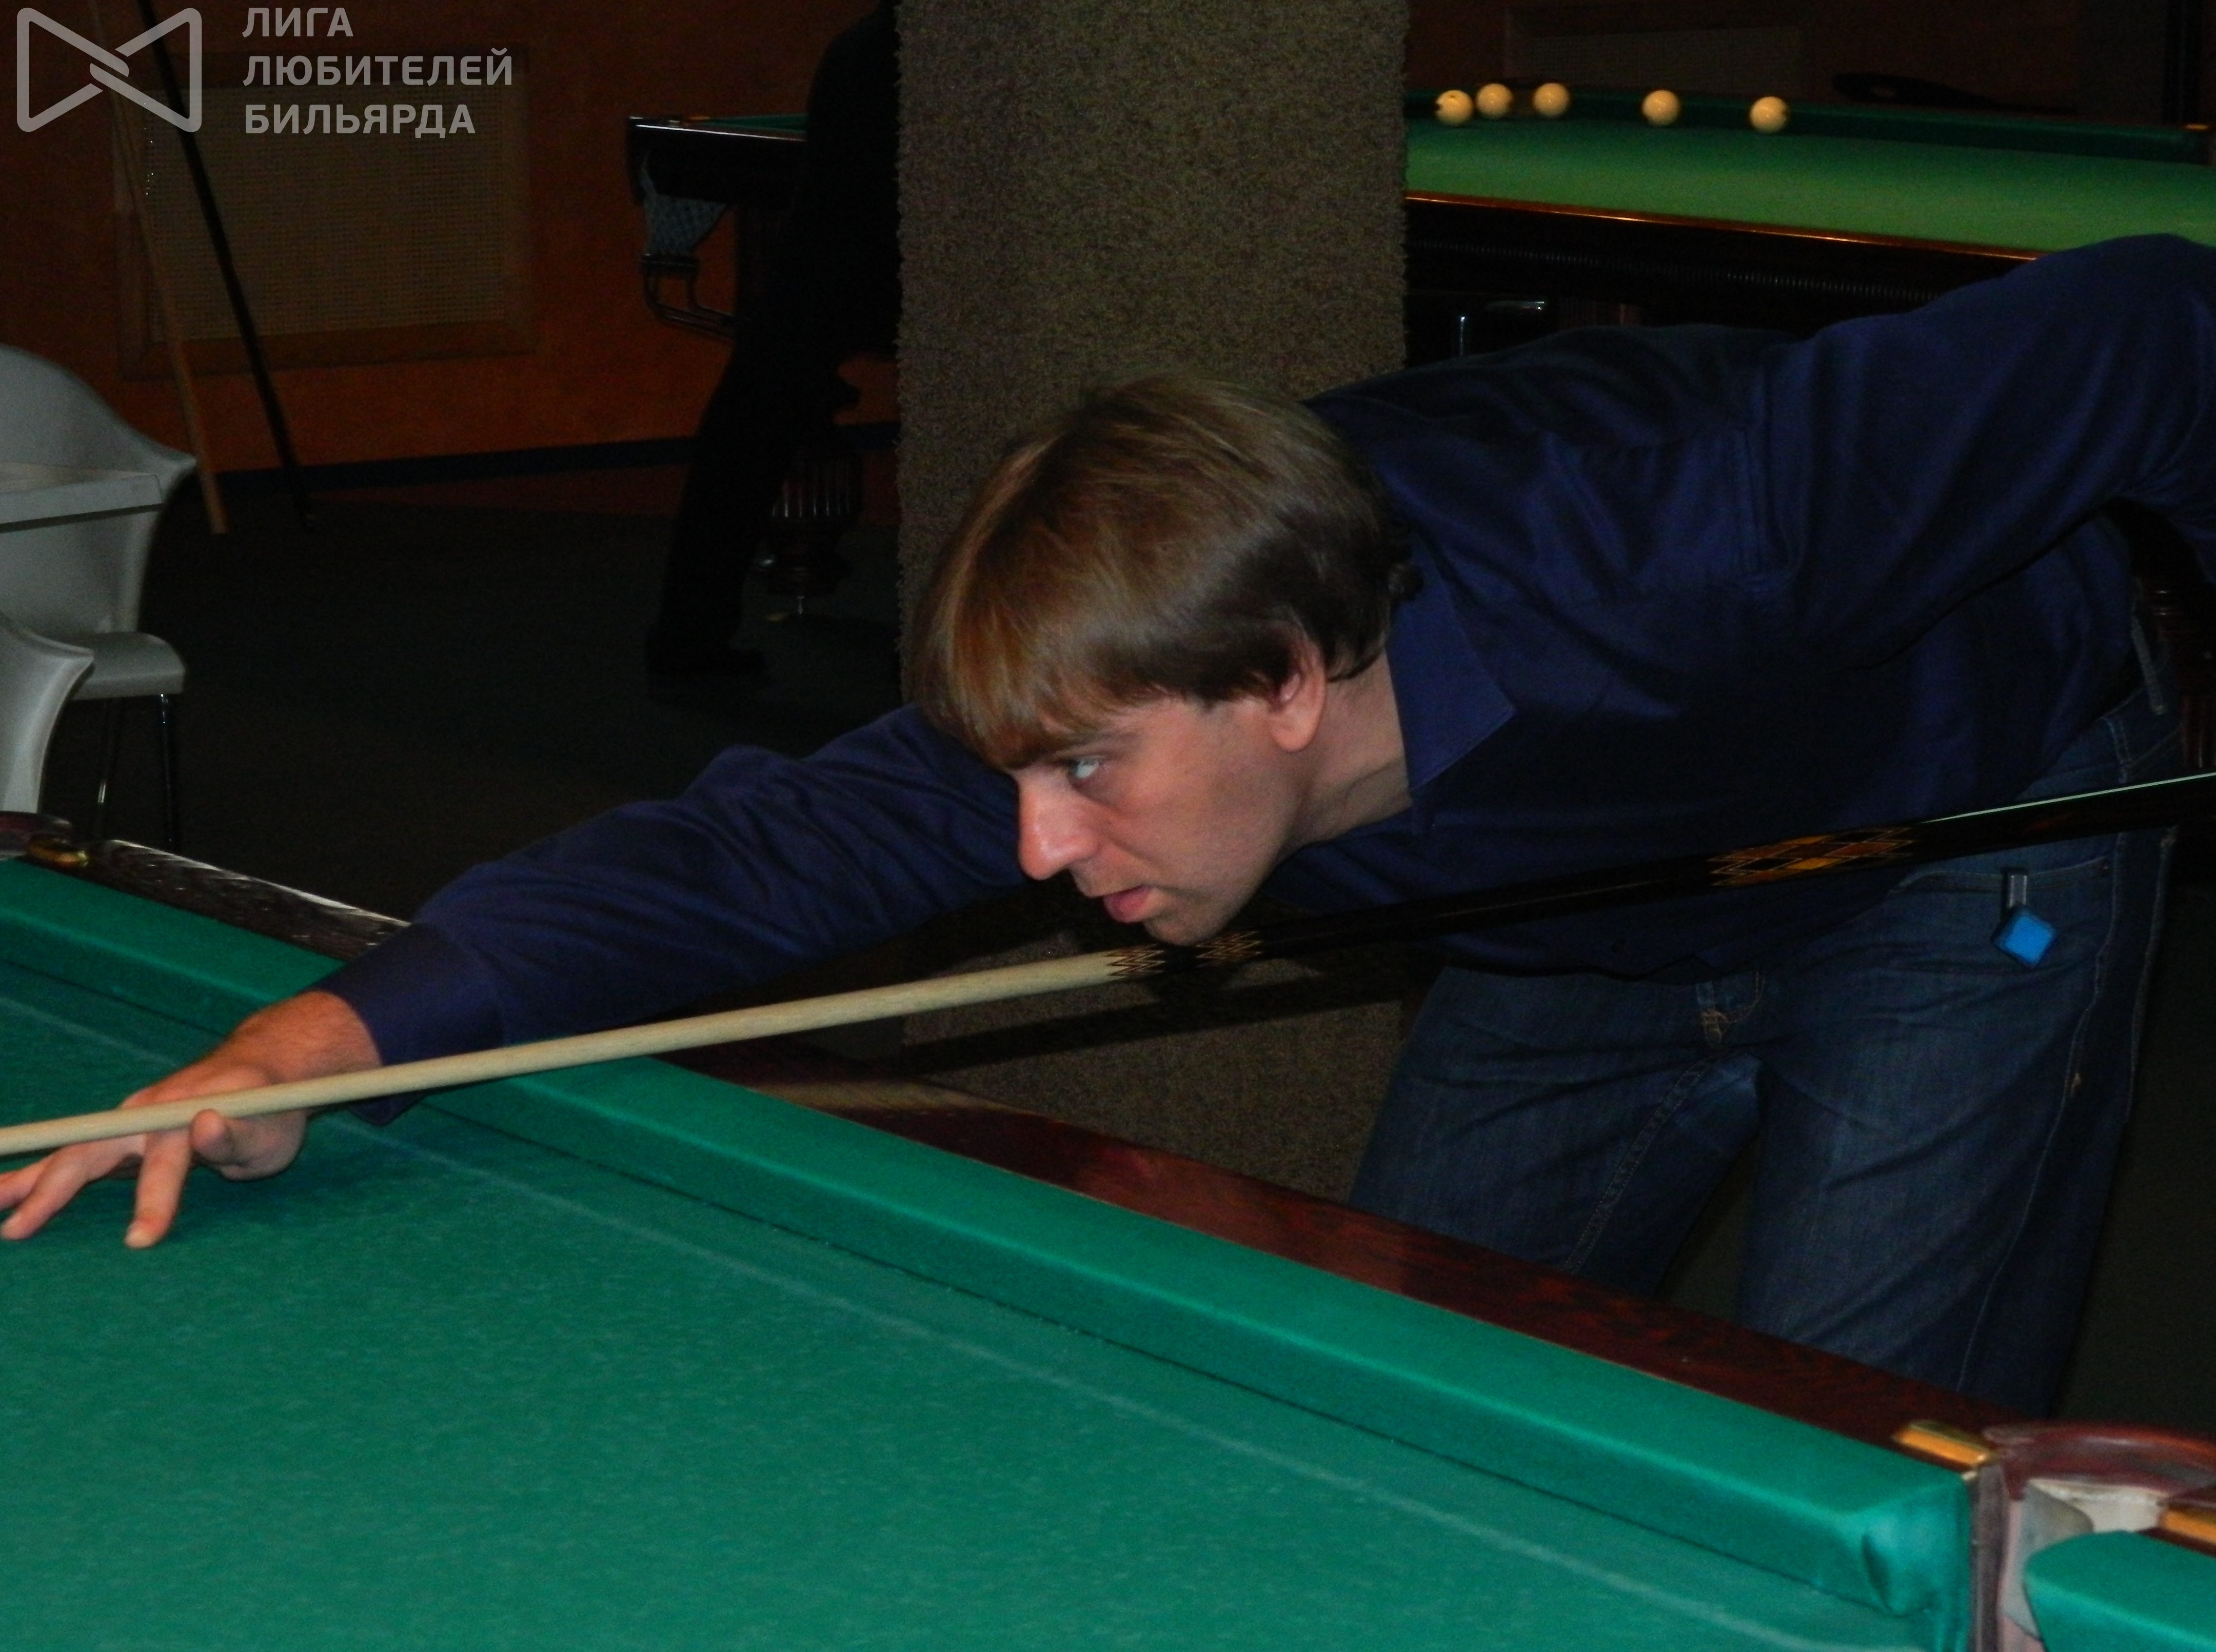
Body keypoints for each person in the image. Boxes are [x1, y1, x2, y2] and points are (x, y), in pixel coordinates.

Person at [6, 236, 2213, 1415]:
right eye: (1024, 777)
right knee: (1394, 1401)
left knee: (1857, 1444)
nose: (1043, 851)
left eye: (1090, 778)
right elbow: (738, 858)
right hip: (1575, 924)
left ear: (1287, 684)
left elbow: (2149, 322)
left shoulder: (1701, 538)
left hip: (1962, 849)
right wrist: (326, 1041)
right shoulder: (1137, 689)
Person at [644, 0, 899, 679]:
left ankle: (687, 640)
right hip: (872, 268)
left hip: (821, 267)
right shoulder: (901, 50)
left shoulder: (863, 43)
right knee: (746, 438)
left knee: (742, 442)